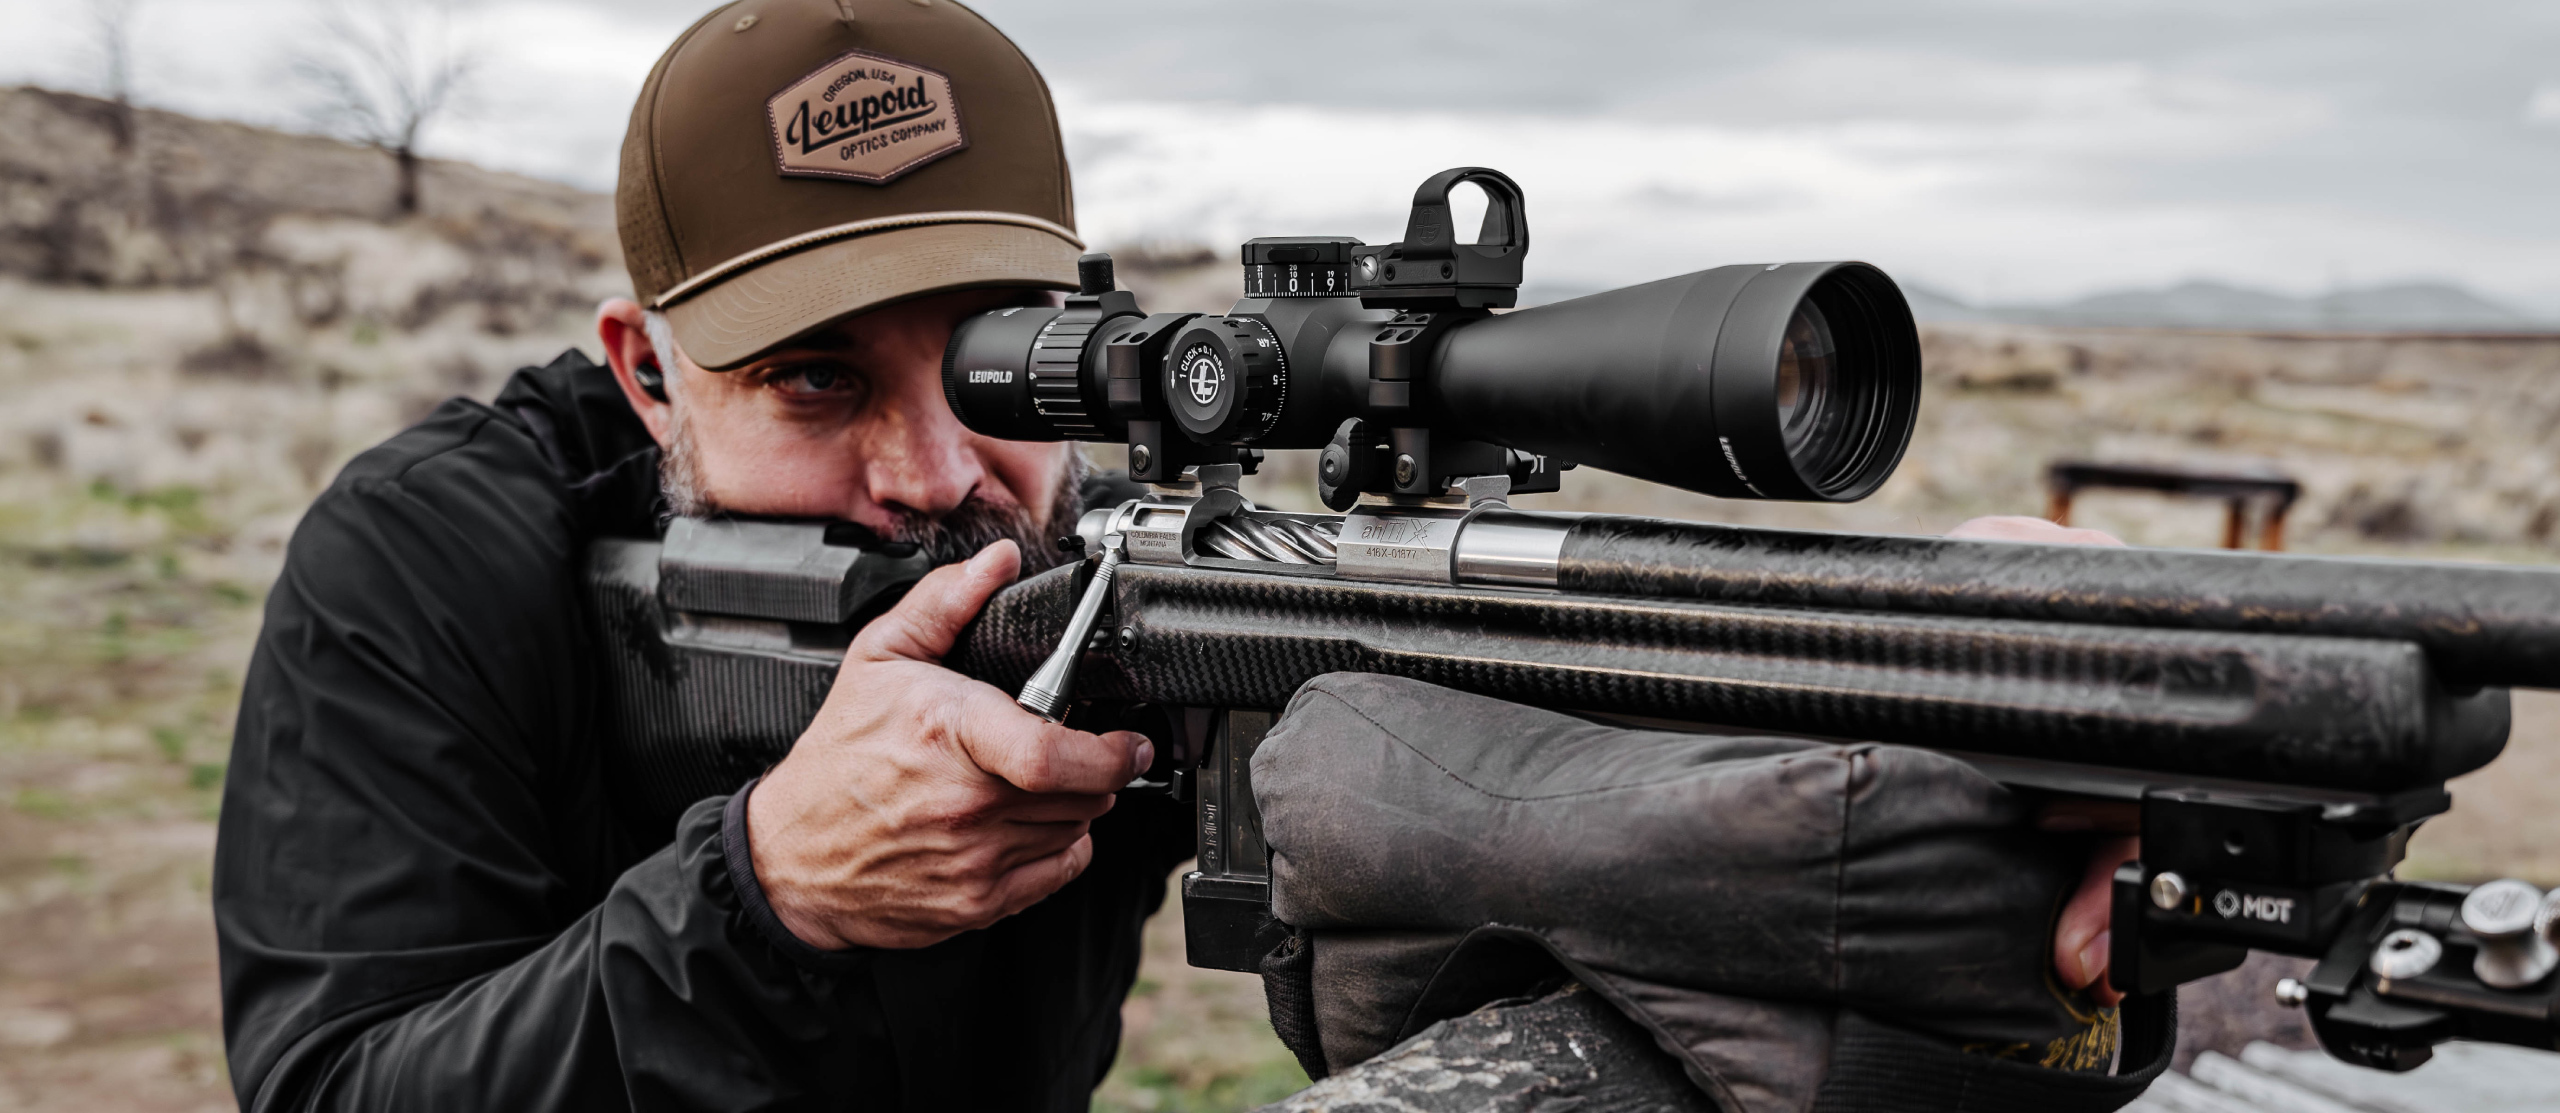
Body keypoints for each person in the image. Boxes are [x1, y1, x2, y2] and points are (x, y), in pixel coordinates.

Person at [211, 1, 2134, 1109]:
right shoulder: (429, 558)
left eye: (993, 368)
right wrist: (769, 892)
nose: (934, 468)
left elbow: (1532, 704)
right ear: (647, 372)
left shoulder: (1121, 577)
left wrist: (1938, 649)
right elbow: (334, 1088)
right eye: (812, 384)